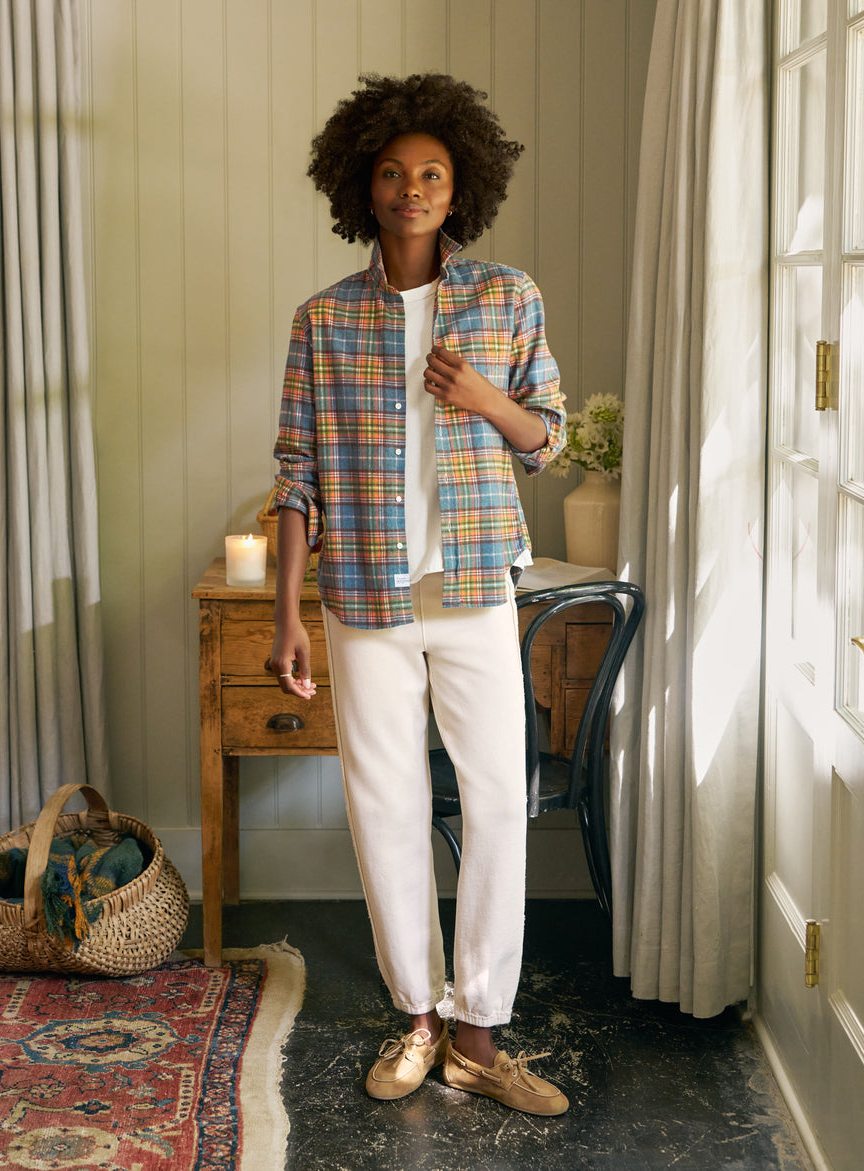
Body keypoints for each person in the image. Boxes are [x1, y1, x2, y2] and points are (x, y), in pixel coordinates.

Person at [269, 73, 568, 1116]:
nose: (411, 189)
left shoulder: (509, 298)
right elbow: (296, 476)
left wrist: (487, 398)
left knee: (495, 804)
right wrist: (286, 616)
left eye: (431, 173)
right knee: (385, 808)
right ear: (364, 184)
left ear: (460, 188)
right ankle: (419, 1017)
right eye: (392, 172)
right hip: (362, 599)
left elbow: (550, 437)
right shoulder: (322, 321)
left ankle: (480, 1032)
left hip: (477, 582)